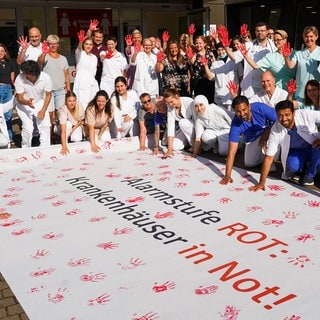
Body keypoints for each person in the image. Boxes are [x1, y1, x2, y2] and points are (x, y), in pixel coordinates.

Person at [249, 100, 320, 190]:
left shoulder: (305, 114)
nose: (284, 119)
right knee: (292, 165)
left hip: (314, 147)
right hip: (297, 151)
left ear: (293, 113)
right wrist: (261, 182)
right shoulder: (275, 129)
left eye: (287, 115)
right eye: (280, 115)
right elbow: (269, 157)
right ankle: (303, 169)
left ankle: (310, 175)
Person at [219, 95, 277, 185]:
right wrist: (227, 175)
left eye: (244, 110)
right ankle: (264, 158)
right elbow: (232, 151)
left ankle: (271, 159)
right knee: (249, 163)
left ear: (249, 106)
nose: (242, 114)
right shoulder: (235, 123)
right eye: (238, 111)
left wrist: (267, 133)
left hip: (271, 134)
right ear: (234, 111)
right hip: (254, 140)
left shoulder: (260, 108)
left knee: (272, 139)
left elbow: (279, 120)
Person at [223, 22, 277, 99]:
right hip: (250, 87)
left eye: (262, 30)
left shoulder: (274, 46)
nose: (260, 33)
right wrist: (226, 47)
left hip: (268, 85)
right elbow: (234, 58)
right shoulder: (248, 45)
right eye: (258, 31)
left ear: (267, 31)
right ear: (255, 32)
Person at [14, 60, 52, 148]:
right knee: (28, 128)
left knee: (45, 125)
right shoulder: (19, 78)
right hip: (23, 104)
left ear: (33, 73)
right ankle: (26, 149)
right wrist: (27, 102)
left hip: (39, 102)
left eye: (25, 73)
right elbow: (19, 98)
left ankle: (45, 148)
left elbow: (48, 94)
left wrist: (43, 110)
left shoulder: (45, 77)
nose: (23, 75)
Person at [37, 34, 70, 129]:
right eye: (51, 44)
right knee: (50, 115)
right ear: (47, 44)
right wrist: (43, 53)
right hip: (48, 92)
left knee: (60, 114)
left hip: (60, 90)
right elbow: (38, 63)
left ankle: (59, 135)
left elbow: (67, 75)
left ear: (58, 45)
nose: (53, 46)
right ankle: (50, 137)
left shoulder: (63, 58)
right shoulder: (44, 56)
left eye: (55, 44)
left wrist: (68, 89)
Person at [202, 42, 243, 112]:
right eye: (219, 50)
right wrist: (205, 66)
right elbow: (210, 77)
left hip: (233, 95)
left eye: (222, 49)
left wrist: (239, 90)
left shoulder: (235, 61)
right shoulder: (215, 64)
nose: (221, 52)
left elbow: (241, 76)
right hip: (220, 96)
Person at [284, 25, 320, 102]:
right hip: (301, 94)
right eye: (306, 36)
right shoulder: (298, 53)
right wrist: (286, 57)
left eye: (311, 36)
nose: (309, 39)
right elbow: (290, 66)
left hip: (317, 95)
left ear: (316, 37)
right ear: (303, 37)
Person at [162, 88, 196, 158]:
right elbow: (170, 127)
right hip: (184, 129)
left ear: (177, 96)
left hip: (195, 128)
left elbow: (198, 122)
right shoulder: (170, 107)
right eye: (168, 103)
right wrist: (169, 150)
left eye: (171, 102)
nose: (170, 104)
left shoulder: (189, 102)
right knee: (175, 146)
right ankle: (189, 142)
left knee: (182, 122)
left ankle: (196, 145)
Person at [73, 30, 99, 110]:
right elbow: (79, 48)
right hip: (81, 83)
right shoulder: (80, 54)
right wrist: (80, 41)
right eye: (86, 44)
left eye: (90, 44)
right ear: (83, 45)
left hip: (92, 84)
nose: (88, 46)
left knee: (92, 105)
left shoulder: (94, 57)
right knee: (82, 105)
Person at [187, 35, 215, 103]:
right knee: (199, 102)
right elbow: (191, 62)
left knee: (210, 102)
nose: (198, 45)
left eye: (200, 43)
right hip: (198, 82)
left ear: (204, 44)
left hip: (209, 81)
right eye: (197, 43)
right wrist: (190, 57)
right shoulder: (195, 54)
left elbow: (215, 64)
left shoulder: (210, 53)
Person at [57, 91, 85, 155]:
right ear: (66, 102)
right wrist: (64, 146)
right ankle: (65, 144)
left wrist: (72, 130)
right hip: (62, 128)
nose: (72, 103)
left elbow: (81, 120)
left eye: (74, 100)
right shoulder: (63, 110)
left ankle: (76, 151)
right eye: (69, 101)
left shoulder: (79, 105)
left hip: (75, 125)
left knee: (77, 137)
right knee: (68, 124)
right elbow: (63, 130)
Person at [0, 43, 15, 147]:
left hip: (8, 89)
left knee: (8, 115)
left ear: (5, 52)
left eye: (2, 51)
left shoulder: (10, 63)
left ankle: (9, 138)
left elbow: (12, 77)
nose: (0, 53)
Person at [86, 20, 107, 86]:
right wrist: (90, 29)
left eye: (100, 37)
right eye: (96, 37)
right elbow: (87, 38)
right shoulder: (90, 46)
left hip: (103, 75)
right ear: (93, 37)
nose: (98, 39)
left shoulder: (106, 48)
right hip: (91, 75)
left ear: (103, 38)